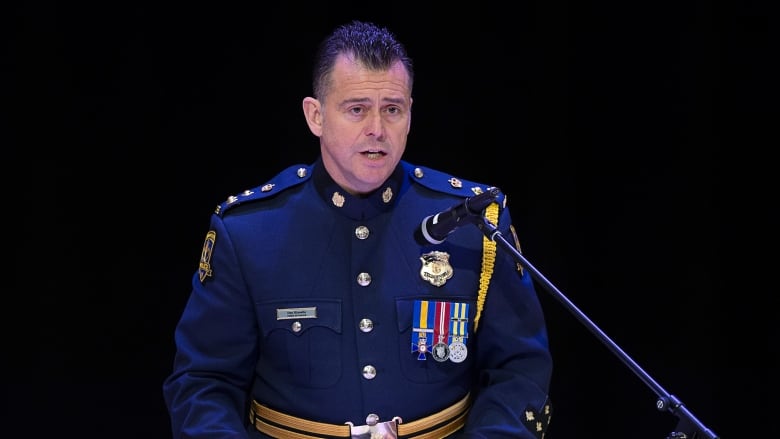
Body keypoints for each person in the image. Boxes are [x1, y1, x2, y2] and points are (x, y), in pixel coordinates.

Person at [163, 20, 553, 439]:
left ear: (410, 114)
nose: (377, 130)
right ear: (315, 116)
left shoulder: (471, 221)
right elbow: (203, 384)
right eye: (356, 109)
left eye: (392, 109)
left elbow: (519, 370)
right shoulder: (249, 231)